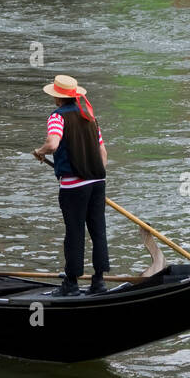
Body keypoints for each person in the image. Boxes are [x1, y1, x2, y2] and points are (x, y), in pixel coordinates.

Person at [32, 74, 109, 296]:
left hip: (74, 187)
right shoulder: (90, 116)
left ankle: (72, 283)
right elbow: (103, 152)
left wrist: (40, 151)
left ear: (58, 99)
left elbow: (53, 144)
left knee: (75, 232)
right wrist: (97, 175)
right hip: (97, 182)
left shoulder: (57, 117)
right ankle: (99, 282)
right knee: (98, 231)